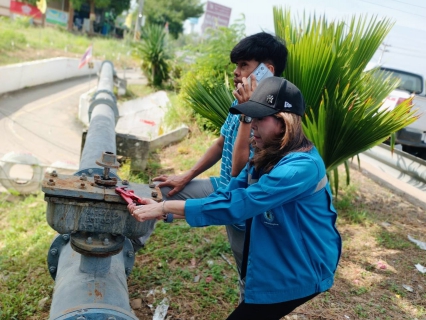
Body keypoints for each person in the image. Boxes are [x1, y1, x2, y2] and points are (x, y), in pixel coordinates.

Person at [128, 77, 342, 320]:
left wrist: (165, 206)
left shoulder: (300, 167)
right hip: (279, 256)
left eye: (260, 118)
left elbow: (240, 205)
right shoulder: (266, 154)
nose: (252, 125)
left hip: (303, 265)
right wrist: (164, 210)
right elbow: (228, 194)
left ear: (283, 124)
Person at [134, 32, 288, 299]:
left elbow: (239, 171)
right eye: (236, 65)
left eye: (244, 66)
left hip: (245, 203)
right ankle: (129, 243)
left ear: (267, 70)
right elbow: (221, 143)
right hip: (223, 186)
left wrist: (248, 113)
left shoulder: (274, 118)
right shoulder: (239, 101)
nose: (236, 72)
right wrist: (187, 175)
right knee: (161, 191)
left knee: (248, 273)